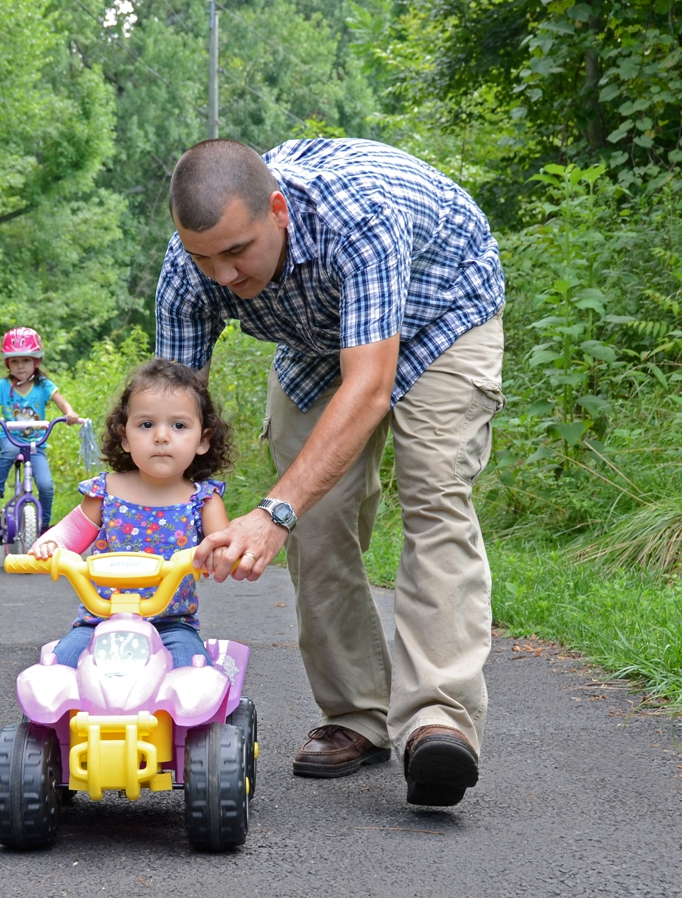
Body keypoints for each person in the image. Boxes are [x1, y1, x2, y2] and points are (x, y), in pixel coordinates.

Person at [156, 138, 505, 807]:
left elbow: (369, 387)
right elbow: (172, 419)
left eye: (237, 251)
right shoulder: (187, 269)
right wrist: (146, 523)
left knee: (433, 496)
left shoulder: (359, 218)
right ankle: (358, 715)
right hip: (318, 339)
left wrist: (271, 511)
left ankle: (439, 721)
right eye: (205, 256)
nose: (222, 274)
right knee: (314, 516)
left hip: (444, 312)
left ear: (278, 210)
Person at [29, 358, 233, 668]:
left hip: (171, 624)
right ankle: (44, 719)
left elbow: (221, 547)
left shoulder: (203, 500)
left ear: (202, 440)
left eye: (178, 425)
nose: (161, 436)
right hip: (99, 621)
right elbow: (72, 531)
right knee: (57, 669)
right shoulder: (106, 491)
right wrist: (52, 544)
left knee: (192, 673)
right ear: (125, 437)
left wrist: (218, 557)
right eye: (146, 424)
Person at [0, 327, 80, 529]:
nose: (20, 367)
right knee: (10, 451)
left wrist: (70, 413)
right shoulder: (3, 386)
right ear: (8, 363)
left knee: (46, 486)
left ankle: (44, 525)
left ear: (36, 361)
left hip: (35, 444)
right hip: (10, 438)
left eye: (26, 360)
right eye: (15, 361)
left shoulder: (43, 385)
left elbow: (62, 403)